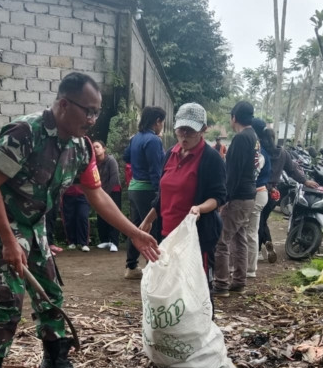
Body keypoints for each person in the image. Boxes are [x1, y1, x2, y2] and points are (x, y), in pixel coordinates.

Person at [0, 72, 160, 368]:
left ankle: (55, 360)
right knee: (8, 298)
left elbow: (97, 195)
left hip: (34, 225)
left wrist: (134, 233)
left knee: (50, 291)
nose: (93, 119)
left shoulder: (81, 147)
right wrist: (9, 242)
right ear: (63, 104)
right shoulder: (24, 133)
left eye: (97, 112)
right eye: (88, 111)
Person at [140, 103, 226, 286]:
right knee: (168, 287)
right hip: (167, 235)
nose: (184, 135)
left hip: (194, 238)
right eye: (181, 130)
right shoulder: (170, 154)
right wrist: (147, 221)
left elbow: (218, 197)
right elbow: (162, 196)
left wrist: (200, 208)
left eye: (190, 130)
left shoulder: (211, 159)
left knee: (195, 288)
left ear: (203, 129)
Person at [212, 101, 259, 298]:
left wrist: (224, 199)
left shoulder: (241, 139)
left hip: (238, 197)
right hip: (249, 195)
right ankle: (239, 280)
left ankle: (221, 283)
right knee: (240, 238)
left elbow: (233, 173)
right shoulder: (254, 137)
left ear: (234, 118)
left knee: (221, 241)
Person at [259, 128, 319, 259]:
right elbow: (292, 170)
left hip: (260, 190)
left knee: (258, 221)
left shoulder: (261, 152)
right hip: (274, 192)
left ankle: (258, 250)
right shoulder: (283, 153)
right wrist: (305, 181)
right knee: (262, 220)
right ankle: (267, 244)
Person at [122, 105, 166, 280]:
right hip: (148, 190)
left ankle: (131, 266)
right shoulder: (153, 140)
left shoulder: (136, 138)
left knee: (136, 229)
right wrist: (159, 193)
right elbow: (156, 169)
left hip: (134, 188)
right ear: (157, 121)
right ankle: (153, 269)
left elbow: (126, 157)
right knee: (152, 229)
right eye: (162, 122)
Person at [246, 118, 272, 279]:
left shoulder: (258, 152)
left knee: (249, 232)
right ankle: (249, 267)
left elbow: (252, 174)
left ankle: (249, 268)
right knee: (251, 231)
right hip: (261, 193)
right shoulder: (264, 150)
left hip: (255, 193)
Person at [93, 140, 122, 252]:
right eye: (93, 147)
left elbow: (114, 178)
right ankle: (104, 240)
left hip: (113, 191)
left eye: (97, 146)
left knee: (114, 215)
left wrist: (105, 194)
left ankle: (114, 242)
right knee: (101, 215)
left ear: (104, 149)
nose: (95, 149)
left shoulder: (111, 160)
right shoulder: (94, 163)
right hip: (100, 192)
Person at [61, 184, 90, 251]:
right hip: (67, 194)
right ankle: (72, 242)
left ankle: (84, 243)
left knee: (83, 216)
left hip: (83, 194)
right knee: (69, 218)